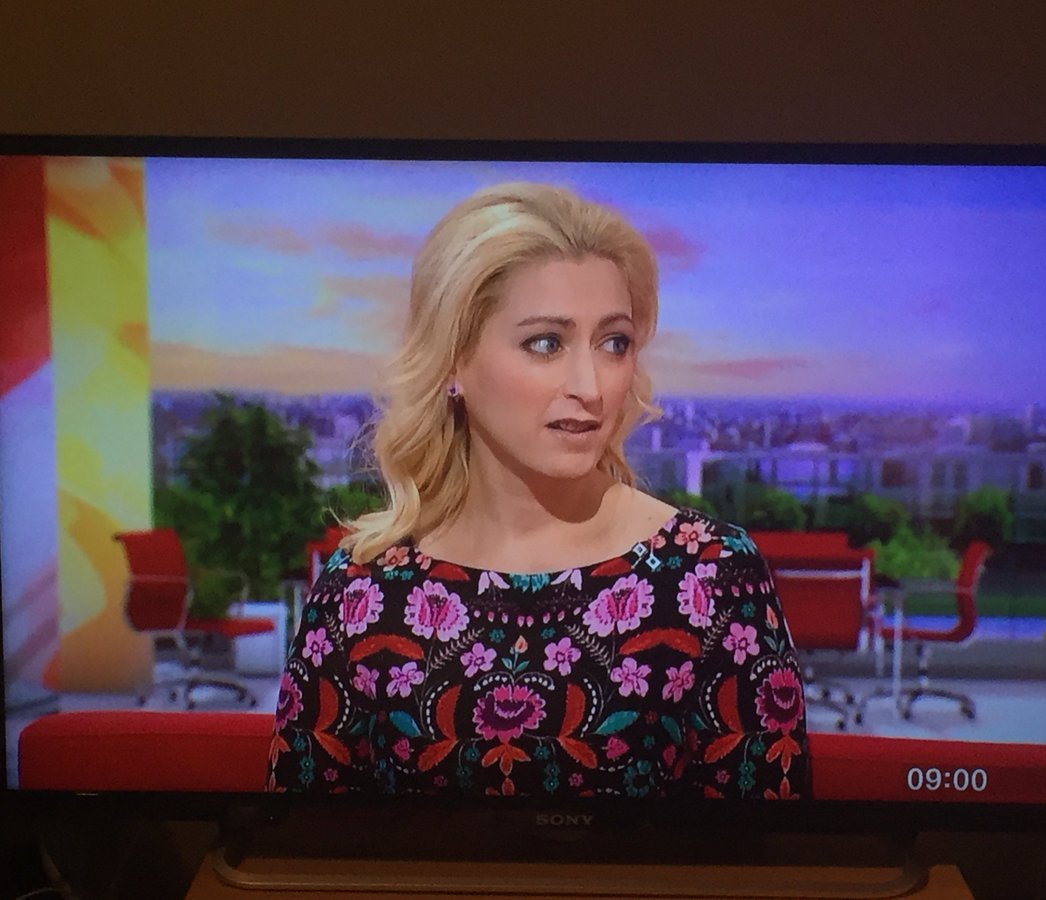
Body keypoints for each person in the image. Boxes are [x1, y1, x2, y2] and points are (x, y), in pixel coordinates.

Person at [268, 182, 809, 800]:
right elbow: (297, 842)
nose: (591, 386)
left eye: (615, 343)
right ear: (453, 362)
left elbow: (766, 845)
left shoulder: (712, 575)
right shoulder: (360, 590)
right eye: (545, 343)